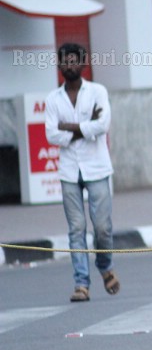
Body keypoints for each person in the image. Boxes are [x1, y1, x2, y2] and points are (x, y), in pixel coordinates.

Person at [44, 43, 120, 303]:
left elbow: (104, 125)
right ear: (59, 66)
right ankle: (81, 284)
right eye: (64, 62)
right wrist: (85, 128)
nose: (69, 66)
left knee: (102, 228)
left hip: (97, 167)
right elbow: (52, 134)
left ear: (83, 63)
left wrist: (70, 127)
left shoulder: (97, 92)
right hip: (68, 171)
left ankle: (105, 266)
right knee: (76, 229)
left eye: (74, 61)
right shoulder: (53, 99)